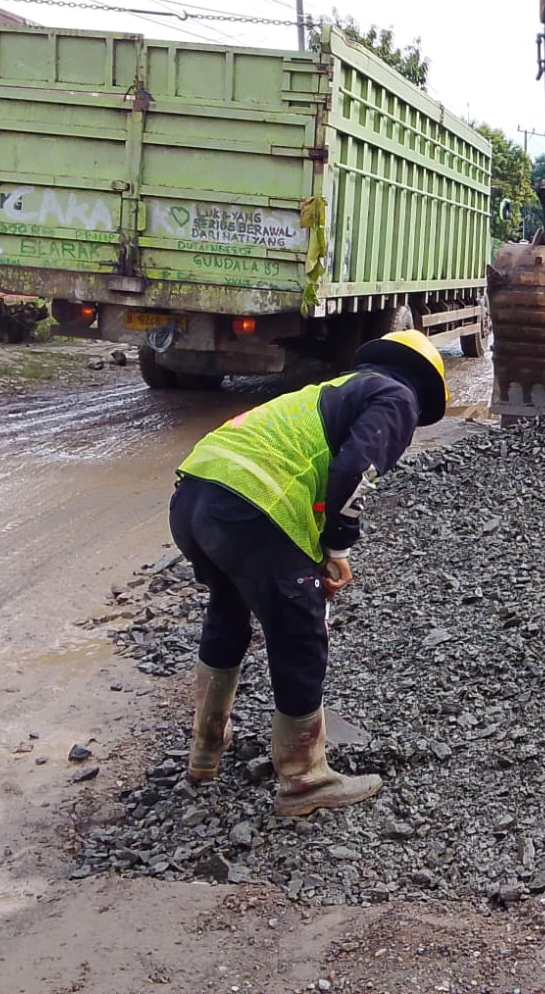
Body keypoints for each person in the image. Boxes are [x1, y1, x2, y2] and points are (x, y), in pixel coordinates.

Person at [168, 329, 449, 815]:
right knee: (299, 633)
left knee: (229, 612)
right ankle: (304, 778)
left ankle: (206, 750)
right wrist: (338, 549)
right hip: (251, 506)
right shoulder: (398, 396)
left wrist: (315, 549)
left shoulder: (329, 392)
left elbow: (312, 471)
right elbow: (352, 472)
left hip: (196, 494)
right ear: (425, 393)